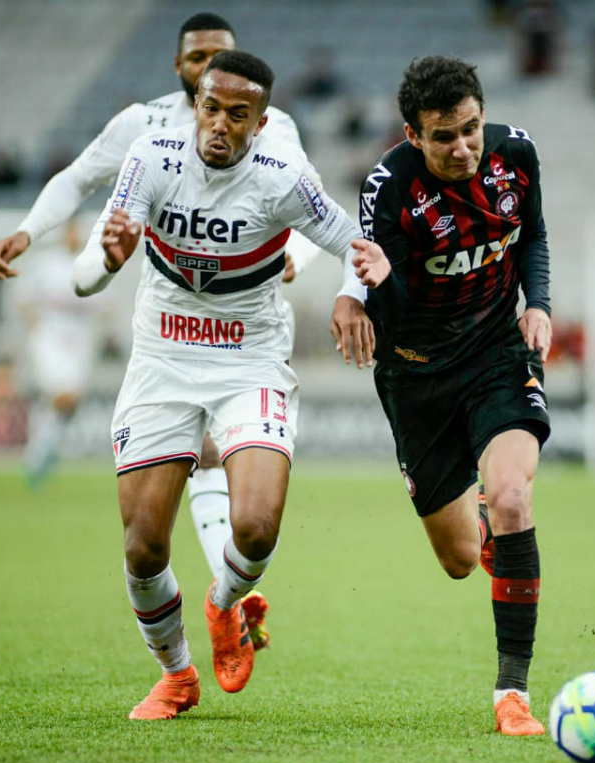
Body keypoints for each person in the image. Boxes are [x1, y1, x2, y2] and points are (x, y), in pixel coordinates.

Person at [69, 50, 388, 719]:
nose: (219, 124)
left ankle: (223, 606)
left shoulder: (283, 174)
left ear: (260, 121)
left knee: (257, 526)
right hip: (163, 358)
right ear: (195, 105)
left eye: (237, 115)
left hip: (249, 360)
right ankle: (177, 676)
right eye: (210, 108)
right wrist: (107, 260)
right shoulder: (152, 157)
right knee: (143, 546)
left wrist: (352, 296)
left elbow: (356, 245)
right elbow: (86, 276)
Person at [0, 12, 312, 651]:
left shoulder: (271, 125)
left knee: (226, 468)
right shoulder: (144, 127)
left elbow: (309, 205)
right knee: (154, 521)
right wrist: (30, 230)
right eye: (197, 57)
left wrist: (295, 253)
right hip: (172, 334)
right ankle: (208, 626)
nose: (208, 66)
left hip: (247, 331)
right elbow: (78, 177)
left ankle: (226, 598)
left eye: (220, 55)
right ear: (179, 66)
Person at [330, 56, 552, 737]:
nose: (462, 148)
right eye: (444, 137)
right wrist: (381, 281)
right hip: (416, 374)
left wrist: (538, 304)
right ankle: (479, 522)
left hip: (496, 355)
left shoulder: (517, 155)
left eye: (471, 129)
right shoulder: (388, 188)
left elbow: (534, 236)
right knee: (459, 561)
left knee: (512, 497)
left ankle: (512, 693)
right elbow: (392, 317)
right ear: (413, 135)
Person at [17, 219, 108, 488]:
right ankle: (37, 453)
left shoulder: (93, 264)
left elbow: (106, 306)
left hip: (80, 345)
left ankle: (44, 446)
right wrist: (37, 327)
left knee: (70, 401)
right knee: (63, 396)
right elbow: (24, 299)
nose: (74, 236)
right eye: (71, 231)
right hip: (51, 340)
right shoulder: (47, 264)